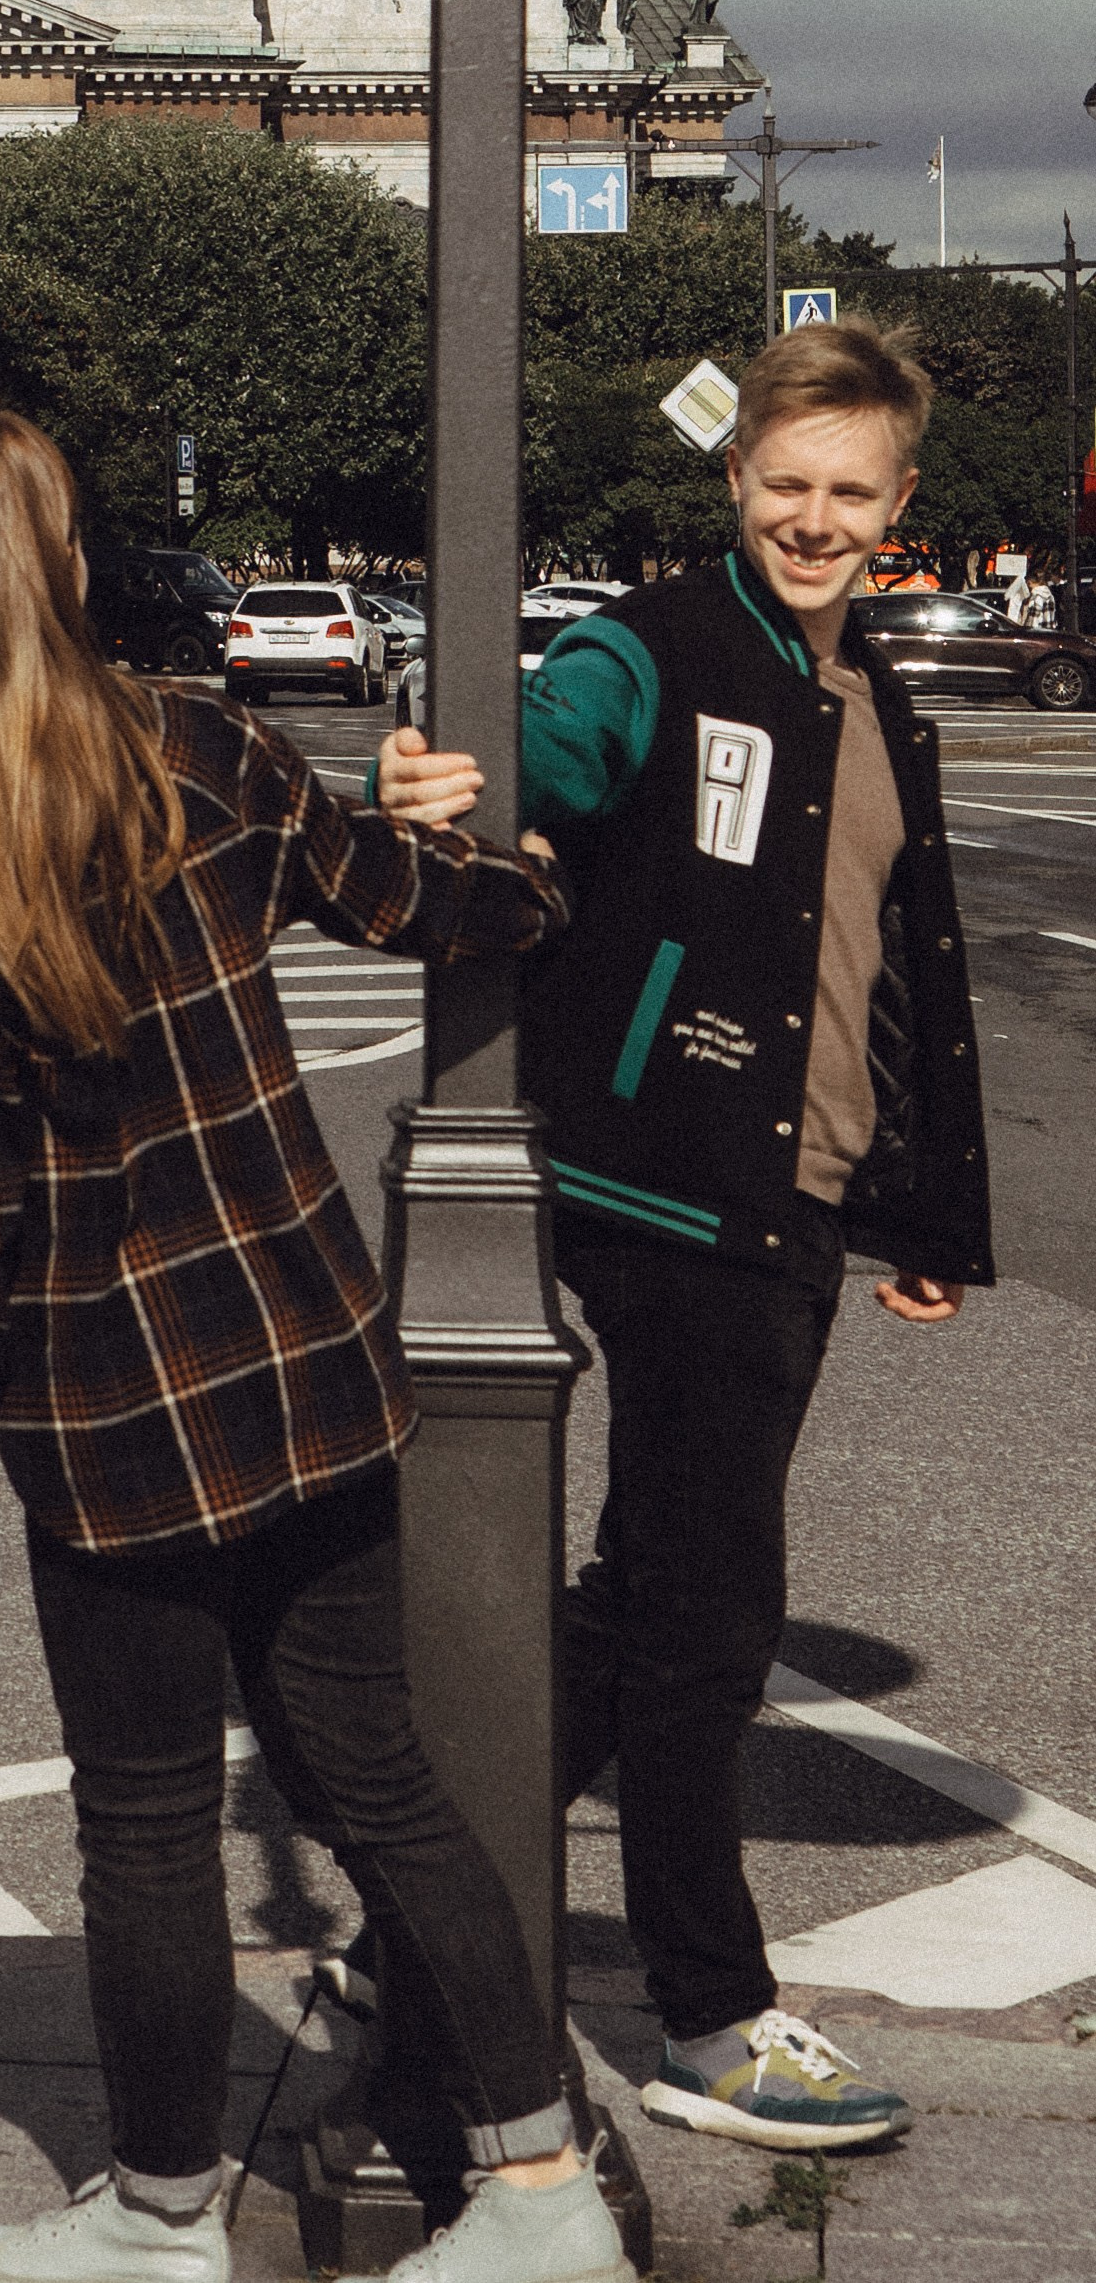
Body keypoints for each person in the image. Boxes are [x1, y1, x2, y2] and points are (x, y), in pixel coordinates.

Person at [0, 410, 625, 2283]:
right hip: (302, 1358)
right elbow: (430, 906)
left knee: (144, 1826)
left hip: (105, 1413)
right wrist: (510, 855)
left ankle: (162, 2212)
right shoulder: (199, 747)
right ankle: (542, 2186)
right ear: (65, 565)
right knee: (387, 1784)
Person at [377, 319, 989, 2158]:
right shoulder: (650, 645)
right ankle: (706, 2012)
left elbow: (890, 970)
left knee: (636, 1595)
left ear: (896, 501)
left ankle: (416, 1926)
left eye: (848, 491)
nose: (813, 518)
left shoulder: (869, 692)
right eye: (785, 482)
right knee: (709, 1619)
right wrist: (453, 780)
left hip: (792, 1195)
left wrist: (917, 1204)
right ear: (735, 477)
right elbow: (545, 753)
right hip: (670, 1186)